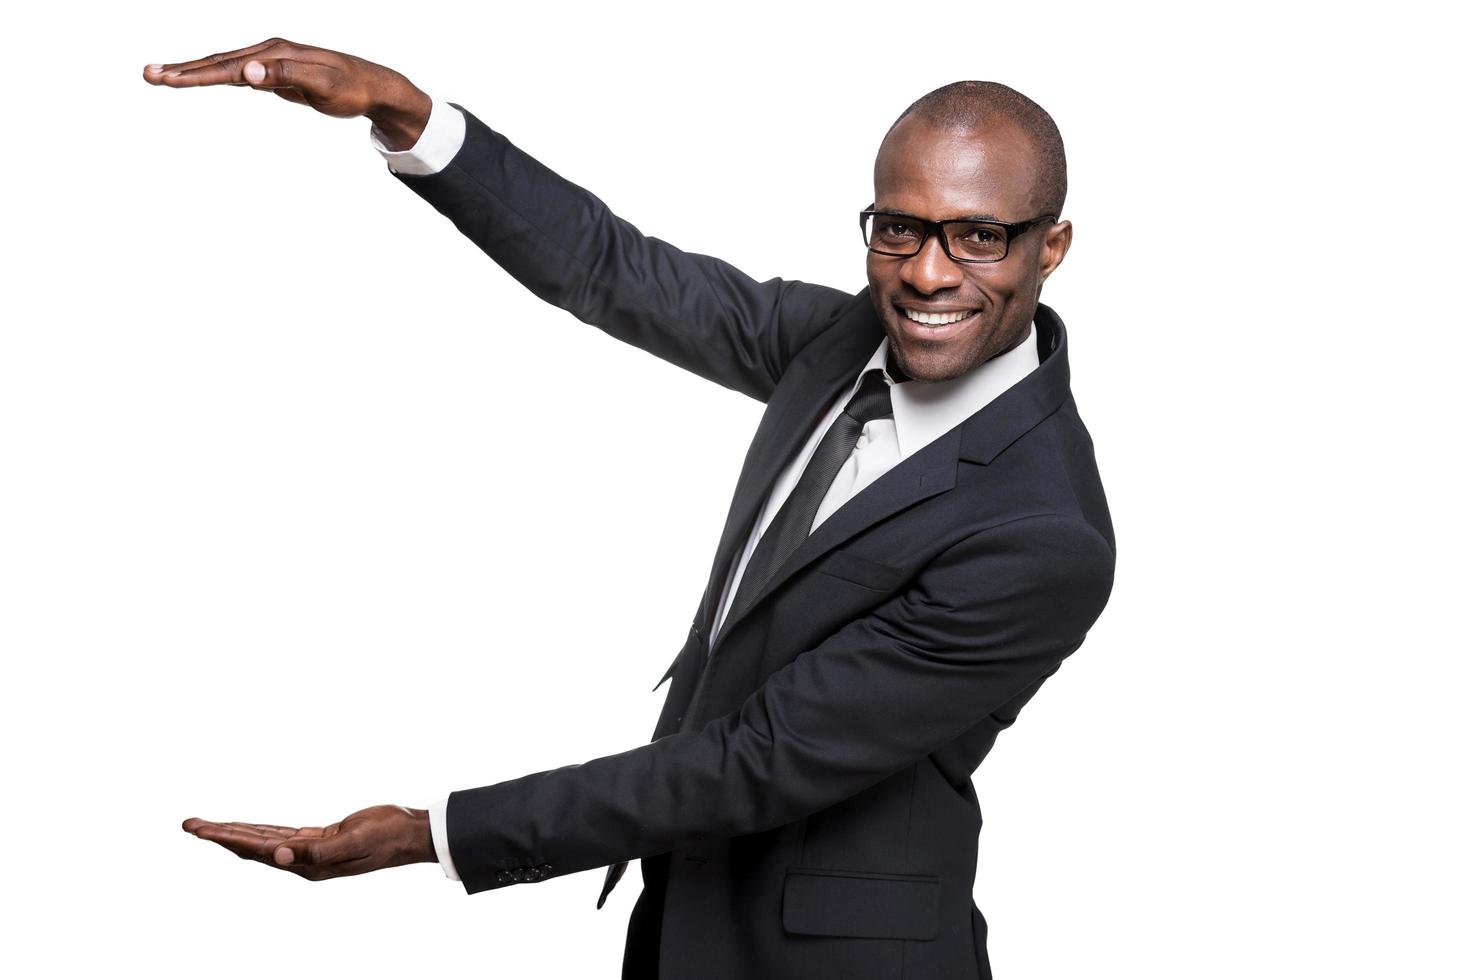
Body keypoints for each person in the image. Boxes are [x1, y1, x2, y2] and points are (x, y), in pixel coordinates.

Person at [146, 38, 1116, 980]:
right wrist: (409, 114)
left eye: (978, 235)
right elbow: (612, 271)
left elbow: (756, 757)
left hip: (844, 952)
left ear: (1051, 243)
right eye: (898, 226)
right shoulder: (839, 343)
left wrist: (434, 830)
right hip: (685, 913)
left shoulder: (1040, 533)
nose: (927, 273)